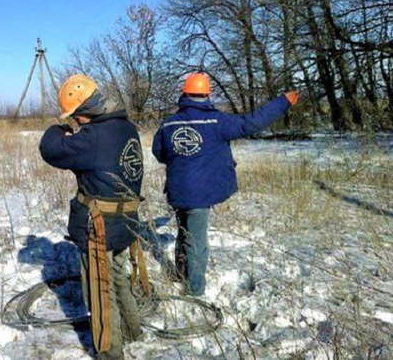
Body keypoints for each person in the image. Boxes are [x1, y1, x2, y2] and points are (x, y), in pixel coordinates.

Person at [152, 72, 299, 296]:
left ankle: (180, 273)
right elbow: (252, 122)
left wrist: (181, 160)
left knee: (184, 231)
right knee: (197, 242)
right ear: (207, 94)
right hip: (200, 194)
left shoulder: (168, 124)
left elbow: (159, 152)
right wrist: (282, 102)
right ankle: (195, 290)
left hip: (177, 190)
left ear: (185, 94)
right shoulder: (218, 122)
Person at [39, 74, 146, 360]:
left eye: (74, 116)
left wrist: (58, 128)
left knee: (101, 291)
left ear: (82, 112)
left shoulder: (92, 137)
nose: (75, 122)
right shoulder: (127, 128)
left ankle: (110, 353)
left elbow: (50, 149)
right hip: (126, 223)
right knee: (118, 277)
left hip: (100, 228)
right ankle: (133, 331)